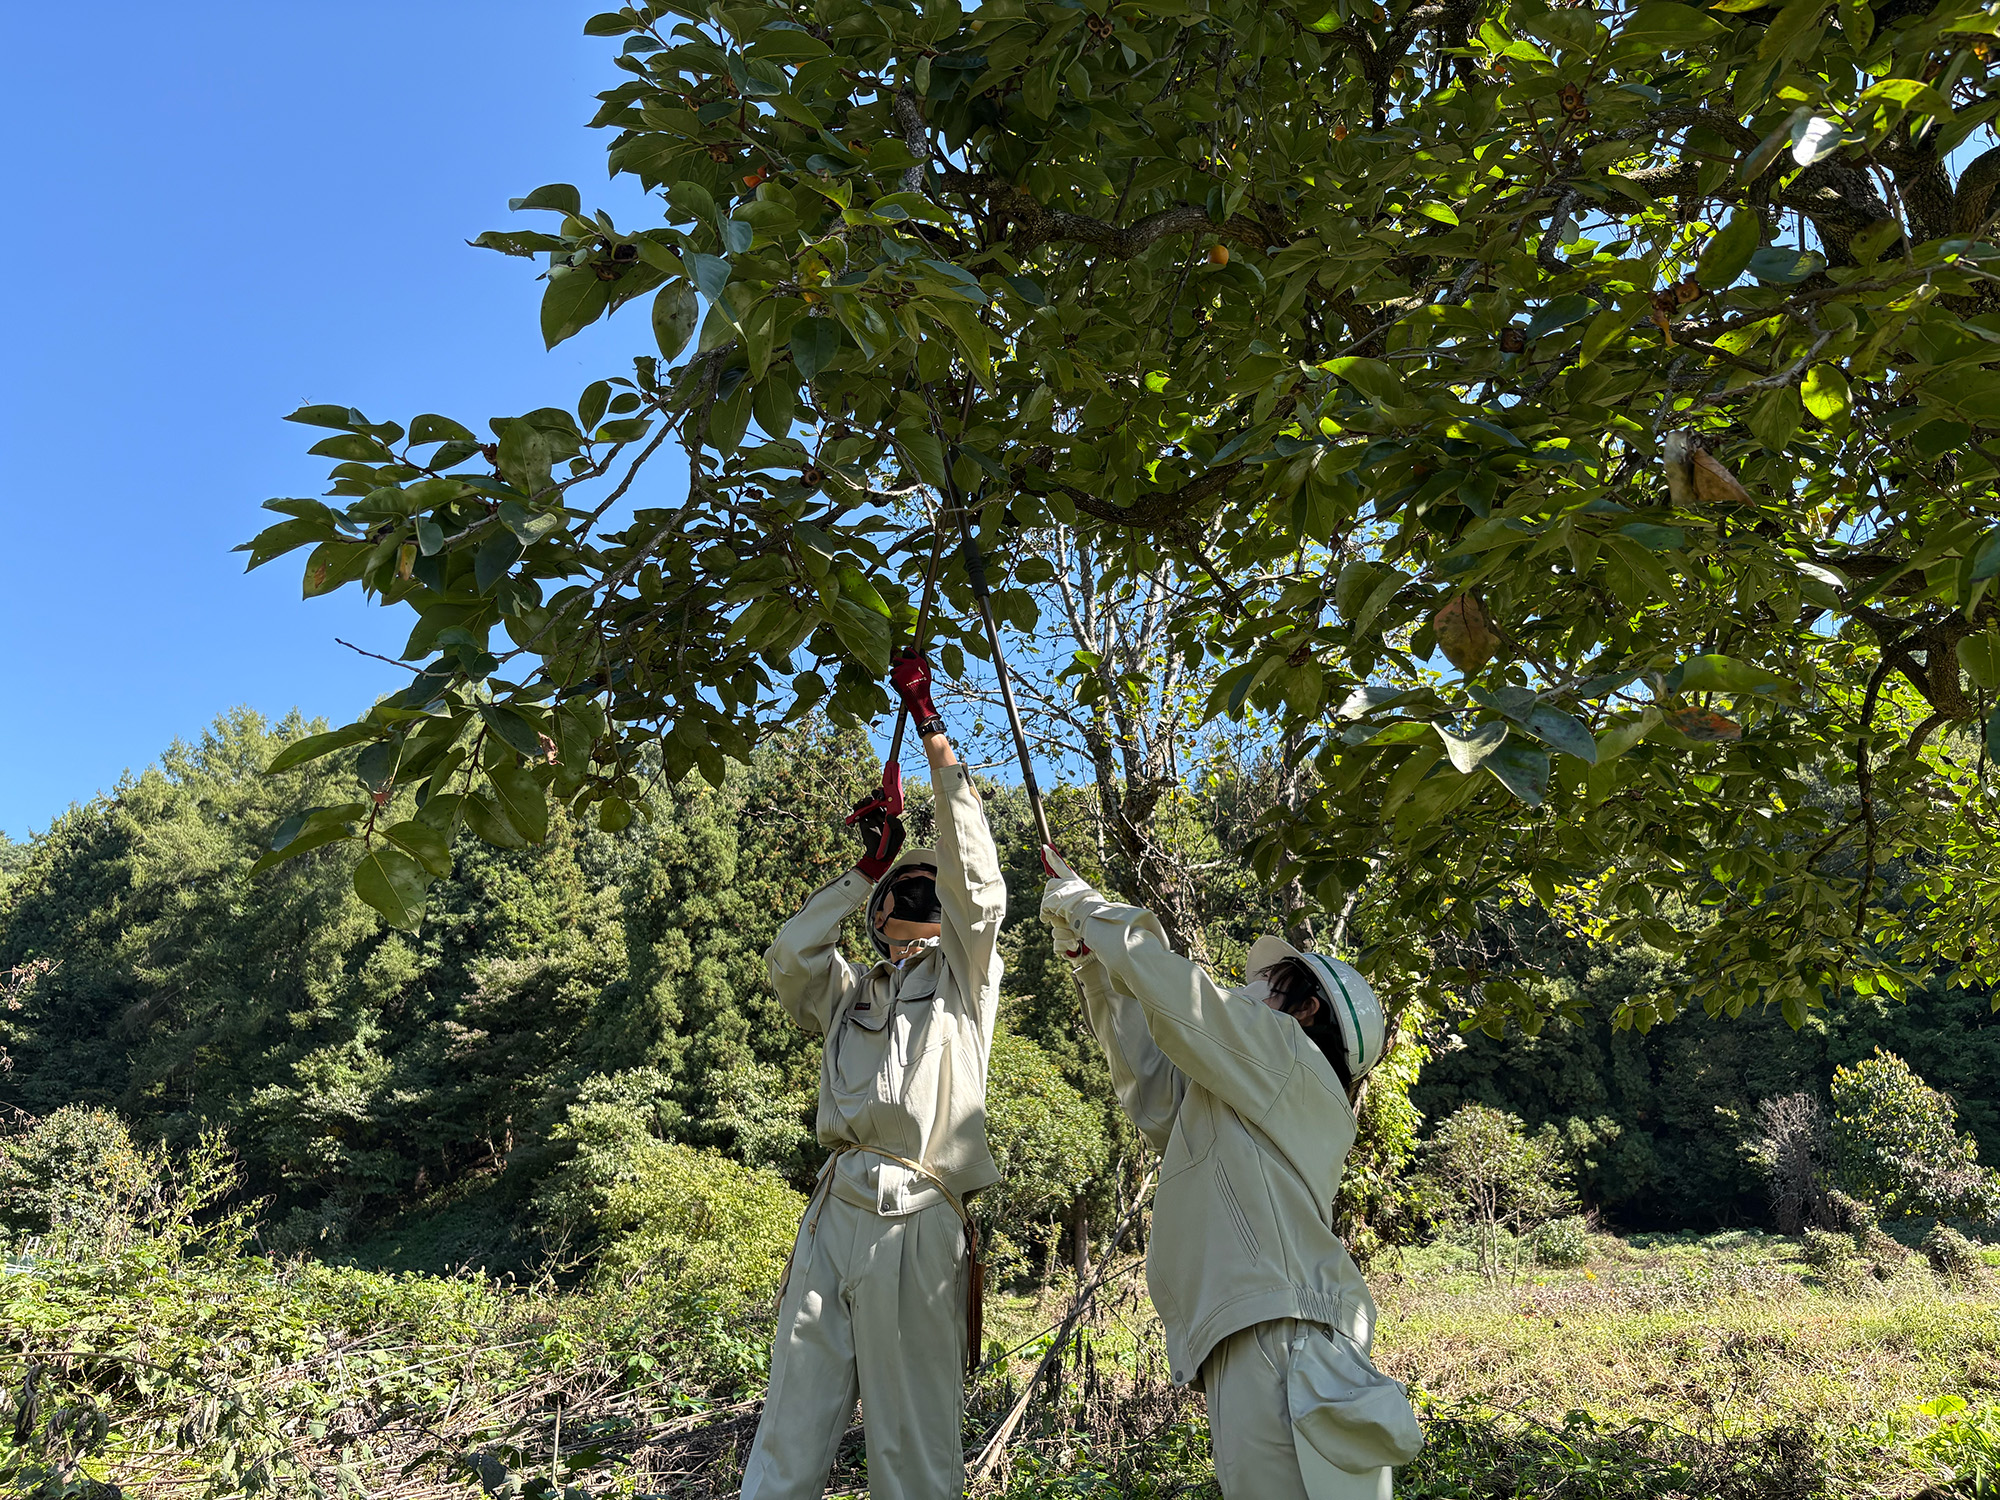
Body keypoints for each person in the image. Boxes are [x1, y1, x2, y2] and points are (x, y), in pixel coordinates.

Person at [1039, 847, 1422, 1500]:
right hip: (1271, 1334)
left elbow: (1176, 996)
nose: (1240, 991)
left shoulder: (1288, 1056)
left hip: (1283, 1336)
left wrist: (1083, 904)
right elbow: (1153, 1085)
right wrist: (1094, 969)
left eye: (1263, 981)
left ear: (1304, 1011)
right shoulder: (1254, 1098)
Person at [741, 649, 1005, 1500]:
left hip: (919, 1214)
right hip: (832, 1210)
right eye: (907, 886)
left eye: (933, 887)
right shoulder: (851, 993)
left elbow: (982, 893)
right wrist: (862, 870)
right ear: (883, 911)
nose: (923, 896)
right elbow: (789, 955)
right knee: (789, 1433)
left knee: (914, 1452)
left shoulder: (965, 981)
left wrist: (934, 740)